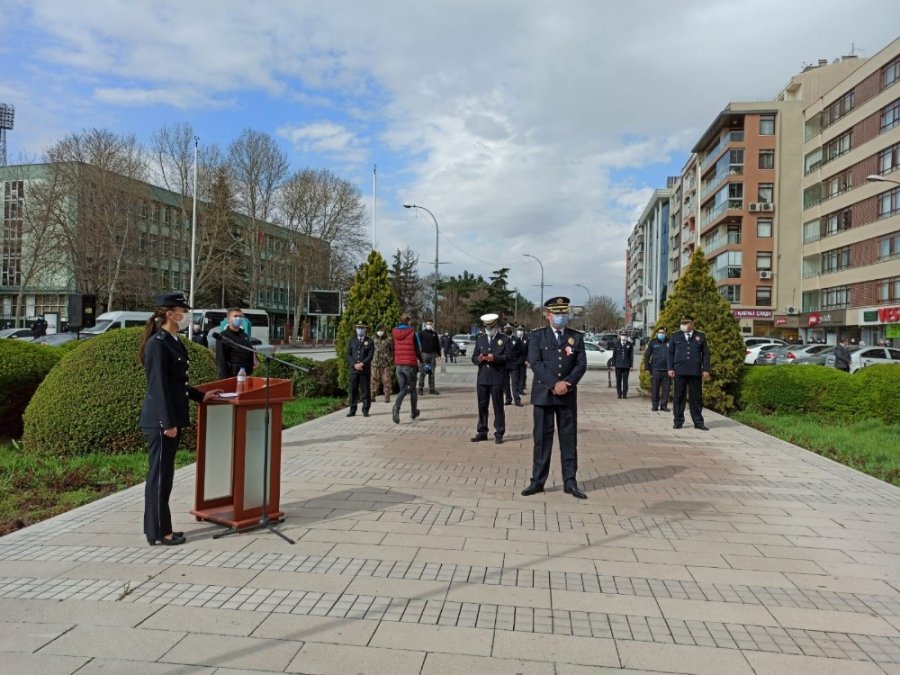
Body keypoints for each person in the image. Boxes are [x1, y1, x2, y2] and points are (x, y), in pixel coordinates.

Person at [139, 292, 221, 546]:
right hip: (161, 421)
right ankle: (160, 532)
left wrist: (201, 396)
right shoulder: (157, 343)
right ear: (169, 313)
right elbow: (159, 387)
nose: (186, 315)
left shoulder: (173, 340)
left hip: (171, 417)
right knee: (160, 477)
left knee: (166, 476)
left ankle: (160, 529)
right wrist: (167, 423)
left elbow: (178, 383)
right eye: (182, 310)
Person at [521, 297, 588, 499]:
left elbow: (581, 364)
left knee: (569, 440)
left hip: (567, 395)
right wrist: (553, 384)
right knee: (542, 439)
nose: (560, 317)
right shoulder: (537, 336)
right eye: (556, 313)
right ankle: (538, 481)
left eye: (563, 313)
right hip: (544, 395)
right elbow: (536, 363)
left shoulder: (576, 337)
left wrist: (566, 383)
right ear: (548, 315)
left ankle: (570, 482)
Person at [667, 315, 711, 431]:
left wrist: (706, 369)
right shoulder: (675, 336)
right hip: (679, 371)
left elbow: (706, 354)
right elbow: (670, 353)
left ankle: (698, 422)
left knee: (696, 398)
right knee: (679, 397)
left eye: (687, 322)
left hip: (694, 372)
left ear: (692, 323)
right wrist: (670, 368)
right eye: (683, 322)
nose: (684, 325)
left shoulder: (700, 336)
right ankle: (678, 421)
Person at [471, 313, 509, 443]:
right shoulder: (480, 339)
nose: (489, 329)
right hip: (482, 378)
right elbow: (473, 357)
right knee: (482, 405)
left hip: (497, 377)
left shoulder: (504, 339)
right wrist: (479, 359)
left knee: (498, 406)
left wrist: (496, 358)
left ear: (495, 326)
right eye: (486, 327)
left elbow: (508, 358)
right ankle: (482, 431)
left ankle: (499, 432)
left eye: (491, 327)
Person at [391, 314, 421, 424]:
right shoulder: (413, 333)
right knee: (412, 389)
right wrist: (421, 360)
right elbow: (418, 349)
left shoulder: (394, 333)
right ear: (408, 322)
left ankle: (397, 407)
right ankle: (413, 412)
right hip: (410, 365)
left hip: (399, 365)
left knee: (403, 388)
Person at [215, 307, 255, 379]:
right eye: (235, 316)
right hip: (232, 376)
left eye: (240, 316)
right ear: (228, 319)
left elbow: (249, 352)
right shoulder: (223, 336)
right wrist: (225, 379)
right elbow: (221, 360)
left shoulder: (244, 335)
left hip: (246, 375)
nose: (238, 318)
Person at [345, 321, 374, 417]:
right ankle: (352, 410)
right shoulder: (352, 340)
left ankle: (365, 410)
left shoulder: (369, 341)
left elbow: (370, 355)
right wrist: (354, 364)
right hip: (354, 370)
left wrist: (362, 363)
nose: (360, 329)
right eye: (358, 327)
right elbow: (348, 354)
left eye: (362, 328)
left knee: (365, 390)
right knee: (353, 390)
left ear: (365, 329)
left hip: (364, 370)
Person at [643, 326, 671, 411]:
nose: (661, 334)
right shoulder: (653, 342)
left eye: (662, 333)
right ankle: (655, 405)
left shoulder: (670, 342)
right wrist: (647, 368)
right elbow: (647, 355)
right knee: (655, 388)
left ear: (666, 333)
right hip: (656, 369)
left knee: (666, 389)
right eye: (659, 333)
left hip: (667, 369)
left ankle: (664, 405)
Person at [502, 323, 525, 406]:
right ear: (504, 329)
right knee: (505, 383)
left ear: (512, 329)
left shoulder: (517, 339)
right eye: (506, 328)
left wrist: (519, 362)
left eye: (509, 328)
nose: (507, 330)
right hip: (504, 364)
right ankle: (508, 399)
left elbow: (521, 352)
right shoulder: (501, 339)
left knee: (515, 382)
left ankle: (517, 400)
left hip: (514, 364)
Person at [370, 324, 394, 403]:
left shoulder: (388, 339)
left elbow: (392, 350)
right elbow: (369, 351)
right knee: (373, 381)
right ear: (376, 330)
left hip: (385, 364)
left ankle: (387, 397)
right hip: (374, 364)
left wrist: (389, 359)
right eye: (379, 330)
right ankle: (372, 396)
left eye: (382, 330)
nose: (381, 332)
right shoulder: (372, 339)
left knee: (387, 381)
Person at [417, 319, 442, 395]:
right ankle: (420, 389)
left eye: (431, 324)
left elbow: (437, 344)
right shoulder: (421, 333)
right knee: (423, 372)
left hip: (432, 355)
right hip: (424, 355)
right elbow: (418, 345)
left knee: (431, 373)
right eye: (428, 324)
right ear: (425, 325)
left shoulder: (434, 334)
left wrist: (439, 354)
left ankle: (432, 389)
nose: (429, 325)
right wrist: (418, 356)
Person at [611, 329, 634, 398]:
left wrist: (631, 365)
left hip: (626, 365)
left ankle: (624, 394)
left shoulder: (629, 344)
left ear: (627, 336)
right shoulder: (616, 344)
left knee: (625, 381)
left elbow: (631, 356)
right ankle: (619, 394)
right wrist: (613, 364)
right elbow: (614, 355)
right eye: (622, 335)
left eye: (625, 335)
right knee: (618, 380)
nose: (623, 336)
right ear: (620, 336)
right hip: (618, 365)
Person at [516, 325, 528, 396]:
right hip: (515, 361)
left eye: (521, 330)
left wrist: (527, 359)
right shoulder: (513, 339)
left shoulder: (526, 339)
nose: (520, 331)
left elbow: (528, 351)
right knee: (516, 376)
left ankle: (521, 389)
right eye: (518, 330)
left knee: (522, 376)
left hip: (523, 361)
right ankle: (516, 389)